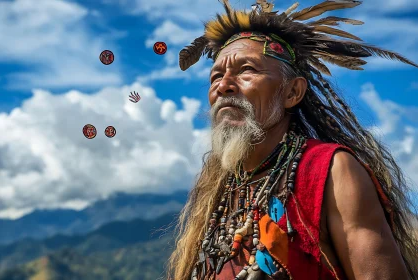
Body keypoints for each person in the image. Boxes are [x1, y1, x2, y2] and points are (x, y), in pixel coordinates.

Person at [168, 0, 418, 279]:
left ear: (292, 93)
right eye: (216, 76)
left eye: (247, 69)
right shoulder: (217, 187)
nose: (223, 85)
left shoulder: (332, 171)